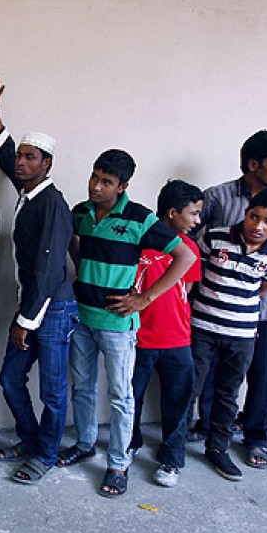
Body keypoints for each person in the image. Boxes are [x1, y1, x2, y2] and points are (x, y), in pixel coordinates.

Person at [61, 149, 196, 498]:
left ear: (123, 186)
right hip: (83, 316)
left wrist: (144, 298)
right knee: (83, 386)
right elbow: (77, 248)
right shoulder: (81, 213)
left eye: (106, 182)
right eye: (94, 177)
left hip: (118, 325)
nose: (96, 186)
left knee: (121, 395)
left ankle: (118, 464)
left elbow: (185, 256)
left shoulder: (139, 218)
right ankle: (86, 443)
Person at [0, 76, 77, 486]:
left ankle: (47, 455)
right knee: (9, 378)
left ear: (47, 164)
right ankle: (31, 439)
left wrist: (25, 321)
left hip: (52, 308)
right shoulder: (28, 191)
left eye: (30, 157)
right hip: (34, 305)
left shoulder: (52, 203)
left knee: (52, 391)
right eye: (20, 156)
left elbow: (50, 268)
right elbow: (4, 158)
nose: (20, 162)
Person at [191, 130, 267, 457]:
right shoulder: (217, 197)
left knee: (260, 377)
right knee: (207, 376)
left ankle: (257, 439)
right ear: (254, 164)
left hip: (258, 310)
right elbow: (191, 246)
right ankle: (208, 429)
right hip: (211, 308)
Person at [128, 180, 203, 487]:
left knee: (178, 401)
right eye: (193, 213)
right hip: (139, 339)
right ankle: (129, 443)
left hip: (177, 341)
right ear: (172, 213)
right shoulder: (140, 244)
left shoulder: (190, 248)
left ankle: (171, 459)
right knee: (131, 397)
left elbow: (185, 291)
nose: (197, 220)